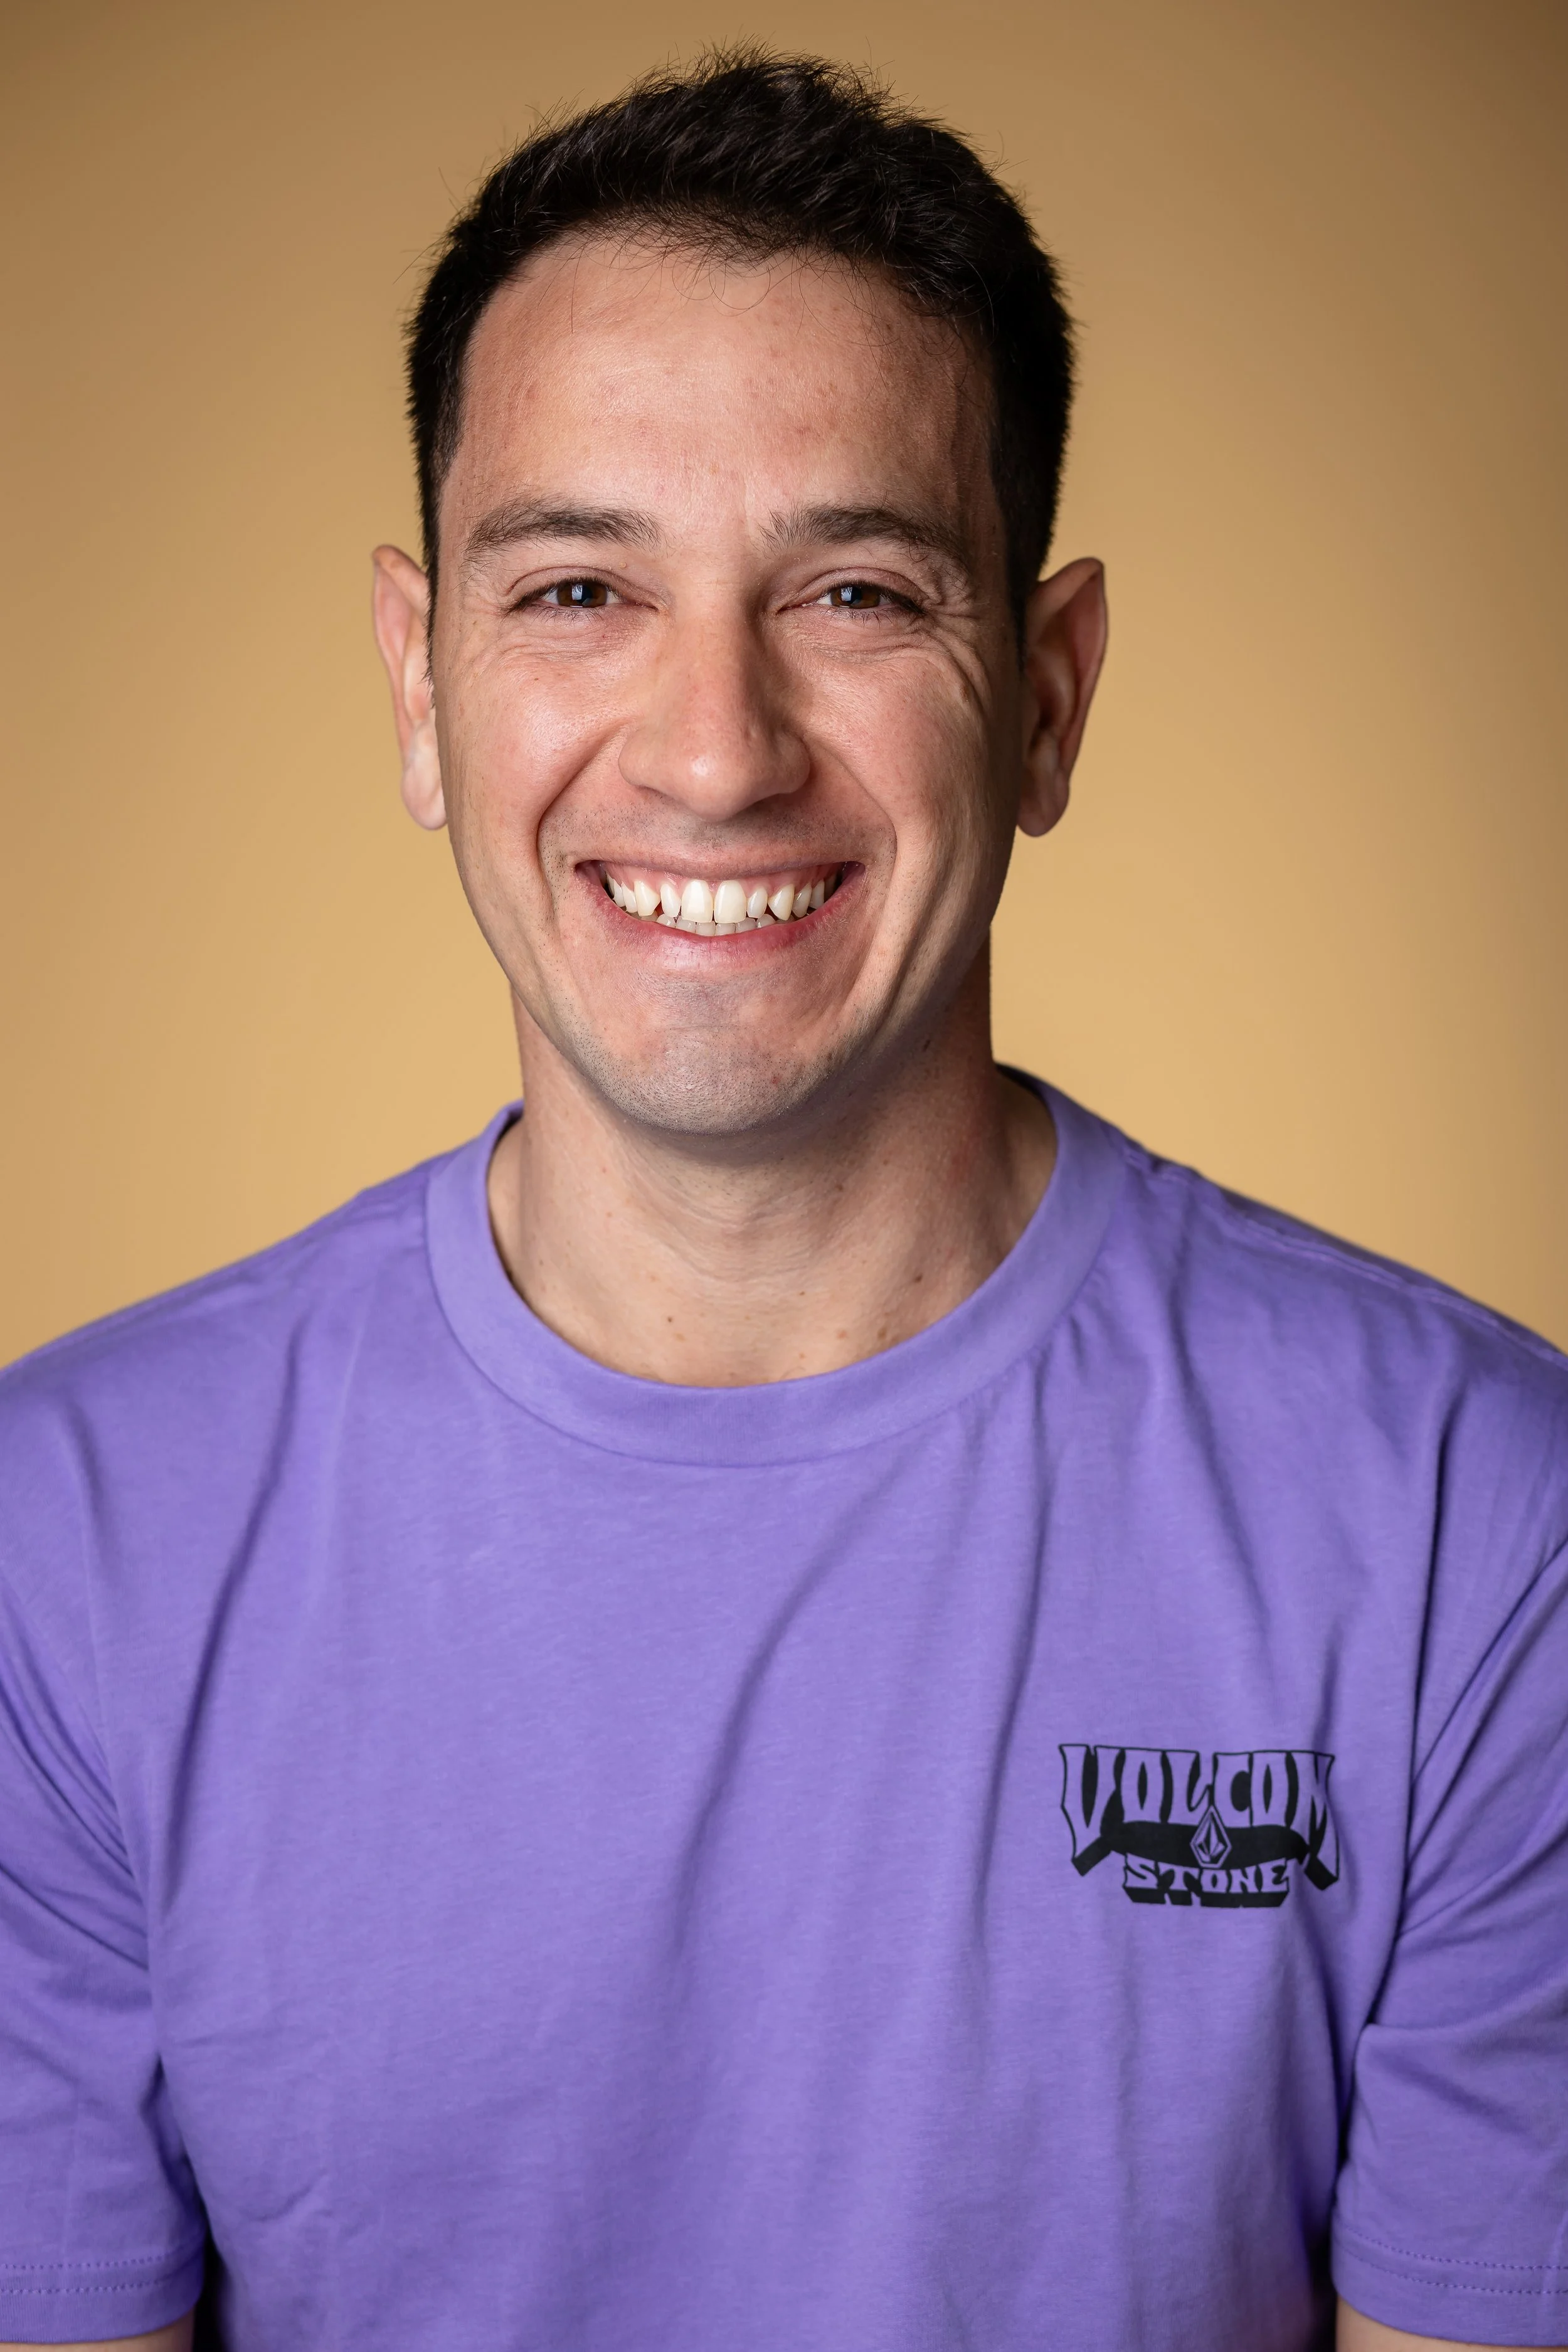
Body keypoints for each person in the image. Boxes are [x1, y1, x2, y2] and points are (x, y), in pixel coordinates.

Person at [0, 48, 1563, 2352]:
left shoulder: (1476, 1526)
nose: (715, 749)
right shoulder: (70, 1545)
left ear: (1043, 696)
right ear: (422, 681)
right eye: (572, 591)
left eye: (849, 588)